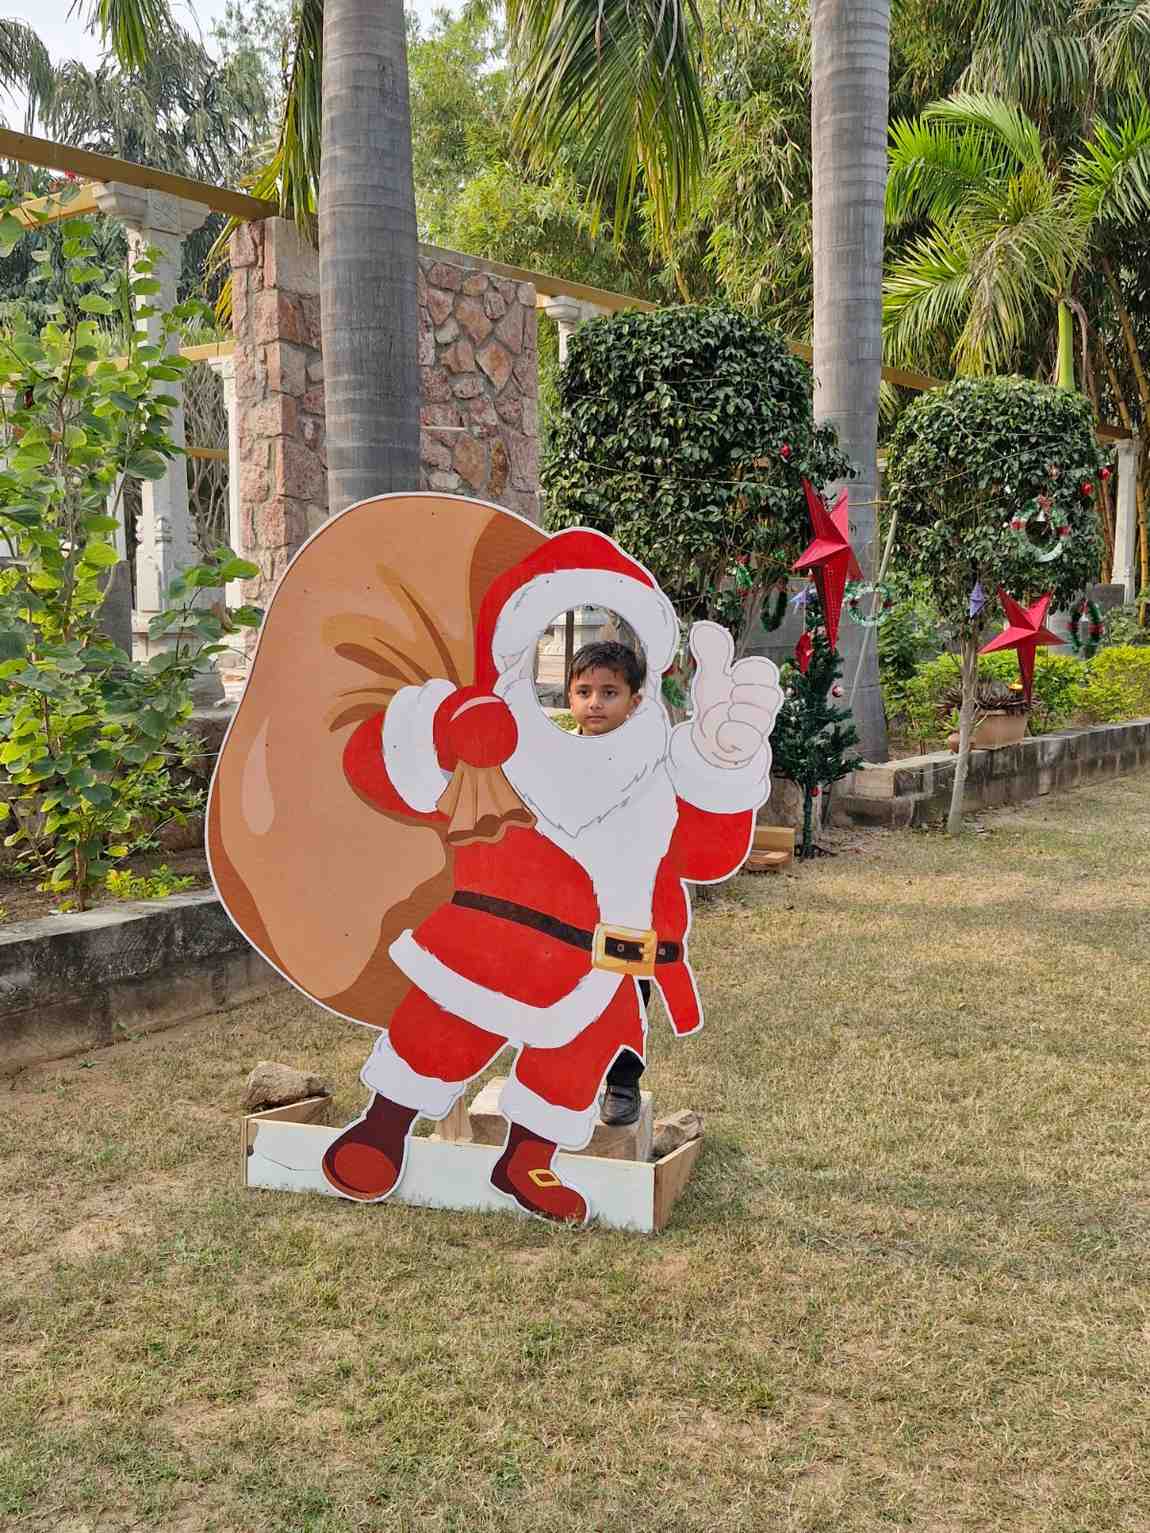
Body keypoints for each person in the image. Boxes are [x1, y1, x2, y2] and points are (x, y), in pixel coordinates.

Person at [564, 638, 652, 1127]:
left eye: (609, 692)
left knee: (627, 988)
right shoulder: (553, 756)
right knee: (563, 986)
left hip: (629, 903)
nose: (594, 702)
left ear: (633, 701)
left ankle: (622, 1081)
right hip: (568, 901)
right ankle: (565, 1074)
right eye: (583, 691)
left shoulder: (648, 759)